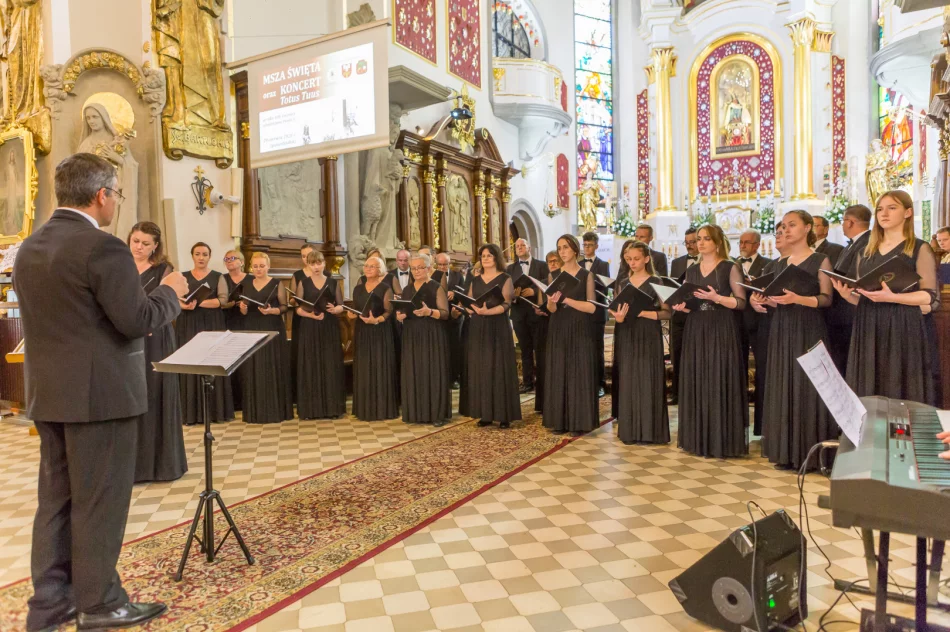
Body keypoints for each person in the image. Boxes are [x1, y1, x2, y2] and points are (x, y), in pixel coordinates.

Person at [15, 153, 186, 631]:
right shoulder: (102, 247)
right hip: (101, 398)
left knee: (57, 501)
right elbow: (136, 320)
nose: (116, 203)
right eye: (117, 194)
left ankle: (50, 603)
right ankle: (101, 603)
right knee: (99, 504)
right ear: (101, 195)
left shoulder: (30, 247)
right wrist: (170, 291)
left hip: (49, 394)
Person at [832, 191, 939, 405]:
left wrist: (894, 297)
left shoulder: (919, 248)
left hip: (903, 324)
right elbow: (867, 297)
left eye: (892, 208)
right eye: (880, 209)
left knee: (900, 383)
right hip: (868, 324)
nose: (884, 214)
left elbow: (928, 295)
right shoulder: (865, 251)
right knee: (868, 384)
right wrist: (848, 295)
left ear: (907, 212)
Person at [752, 211, 836, 470]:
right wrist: (760, 301)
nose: (786, 230)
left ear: (808, 228)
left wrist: (798, 299)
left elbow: (827, 299)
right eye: (783, 226)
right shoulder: (779, 263)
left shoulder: (819, 259)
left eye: (792, 225)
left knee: (807, 384)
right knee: (783, 382)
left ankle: (811, 453)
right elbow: (775, 300)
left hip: (808, 328)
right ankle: (785, 452)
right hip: (781, 329)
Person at [673, 224, 749, 458]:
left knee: (719, 376)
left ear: (717, 242)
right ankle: (698, 438)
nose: (701, 243)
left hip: (721, 327)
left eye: (706, 238)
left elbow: (741, 302)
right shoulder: (692, 271)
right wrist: (683, 307)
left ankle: (722, 440)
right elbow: (694, 303)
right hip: (696, 328)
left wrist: (717, 297)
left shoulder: (729, 267)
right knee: (698, 377)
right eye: (699, 239)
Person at [128, 221, 187, 484]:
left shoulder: (164, 270)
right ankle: (134, 465)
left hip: (157, 339)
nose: (139, 247)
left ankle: (162, 464)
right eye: (135, 241)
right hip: (130, 338)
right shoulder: (121, 266)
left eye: (145, 244)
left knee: (156, 392)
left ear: (155, 247)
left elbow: (172, 303)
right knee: (133, 394)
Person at [609, 241, 671, 445]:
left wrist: (644, 312)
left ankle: (651, 431)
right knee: (628, 379)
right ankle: (630, 430)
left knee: (648, 377)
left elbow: (667, 312)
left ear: (646, 259)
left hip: (648, 333)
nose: (632, 263)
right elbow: (616, 310)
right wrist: (618, 317)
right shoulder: (622, 282)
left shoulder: (656, 281)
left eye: (636, 259)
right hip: (627, 332)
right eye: (629, 259)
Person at [544, 234, 599, 435]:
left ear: (575, 249)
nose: (562, 252)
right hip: (558, 327)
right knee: (559, 370)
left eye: (565, 247)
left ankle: (579, 422)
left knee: (578, 372)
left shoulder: (586, 275)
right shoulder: (553, 276)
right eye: (559, 248)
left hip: (579, 327)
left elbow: (592, 307)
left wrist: (567, 300)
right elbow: (551, 309)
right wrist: (552, 302)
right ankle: (559, 421)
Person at [466, 244, 521, 429]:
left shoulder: (505, 278)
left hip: (497, 326)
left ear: (496, 258)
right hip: (478, 327)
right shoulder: (475, 280)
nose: (486, 258)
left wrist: (487, 312)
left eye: (489, 255)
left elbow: (506, 304)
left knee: (499, 367)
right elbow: (469, 302)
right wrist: (469, 308)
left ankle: (504, 415)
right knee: (482, 368)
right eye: (483, 256)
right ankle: (486, 414)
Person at [178, 242, 234, 425]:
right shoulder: (183, 276)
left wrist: (199, 302)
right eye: (197, 254)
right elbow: (175, 299)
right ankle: (191, 413)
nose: (201, 257)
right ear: (192, 256)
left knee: (212, 362)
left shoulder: (218, 276)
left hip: (212, 323)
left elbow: (223, 301)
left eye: (204, 254)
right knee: (191, 361)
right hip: (188, 323)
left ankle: (216, 412)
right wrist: (184, 305)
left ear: (210, 257)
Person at [396, 253, 452, 425]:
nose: (416, 271)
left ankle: (436, 414)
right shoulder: (407, 289)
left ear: (428, 268)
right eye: (413, 268)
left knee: (432, 371)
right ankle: (416, 413)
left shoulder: (436, 287)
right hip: (412, 334)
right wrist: (400, 316)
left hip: (432, 334)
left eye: (420, 268)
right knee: (414, 371)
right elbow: (404, 310)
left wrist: (430, 312)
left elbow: (445, 314)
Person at [238, 252, 294, 423]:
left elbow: (284, 307)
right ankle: (256, 411)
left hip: (272, 327)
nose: (258, 269)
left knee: (272, 365)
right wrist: (242, 308)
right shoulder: (247, 284)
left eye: (262, 266)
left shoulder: (277, 283)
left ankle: (276, 410)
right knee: (254, 367)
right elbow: (244, 309)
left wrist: (271, 311)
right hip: (252, 328)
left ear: (268, 266)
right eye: (255, 266)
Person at [294, 250, 346, 420]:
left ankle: (332, 408)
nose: (316, 267)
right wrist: (310, 315)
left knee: (330, 363)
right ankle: (311, 410)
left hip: (328, 326)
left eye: (319, 263)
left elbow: (341, 306)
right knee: (311, 364)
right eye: (312, 263)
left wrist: (335, 309)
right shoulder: (303, 283)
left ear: (324, 264)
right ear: (308, 265)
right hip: (310, 326)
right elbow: (298, 308)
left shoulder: (332, 282)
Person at [349, 256, 399, 421]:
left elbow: (389, 311)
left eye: (372, 266)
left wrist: (377, 320)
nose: (368, 268)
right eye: (366, 266)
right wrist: (351, 314)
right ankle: (365, 409)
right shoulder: (358, 288)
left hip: (380, 331)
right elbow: (356, 308)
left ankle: (382, 409)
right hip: (362, 331)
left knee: (379, 366)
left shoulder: (385, 288)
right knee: (364, 367)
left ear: (380, 270)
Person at [825, 205, 872, 373]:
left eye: (843, 221)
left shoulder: (867, 243)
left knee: (847, 361)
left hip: (850, 310)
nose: (842, 225)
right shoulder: (851, 244)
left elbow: (855, 276)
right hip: (841, 310)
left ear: (850, 222)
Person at [736, 229, 771, 436]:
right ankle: (737, 419)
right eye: (741, 242)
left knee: (762, 368)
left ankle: (762, 422)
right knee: (736, 369)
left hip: (759, 322)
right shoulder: (732, 264)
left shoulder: (768, 264)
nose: (743, 245)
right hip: (736, 322)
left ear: (757, 245)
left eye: (747, 242)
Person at [506, 238, 548, 393]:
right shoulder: (510, 269)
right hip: (519, 313)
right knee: (525, 349)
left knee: (540, 349)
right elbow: (506, 290)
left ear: (529, 247)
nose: (519, 248)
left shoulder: (542, 265)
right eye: (517, 246)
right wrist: (514, 294)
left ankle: (543, 382)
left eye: (522, 245)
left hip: (537, 313)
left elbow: (548, 284)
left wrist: (534, 291)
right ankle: (528, 382)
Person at [668, 227, 699, 404]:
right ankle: (677, 393)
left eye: (693, 242)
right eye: (686, 242)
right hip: (679, 313)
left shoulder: (708, 262)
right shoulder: (677, 262)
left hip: (698, 312)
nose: (689, 246)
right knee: (677, 353)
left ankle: (694, 392)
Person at [580, 232, 610, 397]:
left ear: (596, 246)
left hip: (597, 311)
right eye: (584, 245)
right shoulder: (577, 264)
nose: (586, 248)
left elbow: (604, 288)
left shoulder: (603, 265)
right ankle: (584, 382)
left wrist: (588, 295)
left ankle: (600, 384)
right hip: (580, 312)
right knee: (582, 348)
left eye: (590, 245)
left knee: (597, 349)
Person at [533, 251, 561, 414]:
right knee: (543, 363)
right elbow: (539, 302)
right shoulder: (543, 282)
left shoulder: (564, 281)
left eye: (556, 260)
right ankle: (543, 404)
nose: (553, 264)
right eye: (550, 261)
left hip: (558, 322)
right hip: (544, 324)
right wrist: (538, 310)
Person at [220, 249, 248, 411]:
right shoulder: (221, 278)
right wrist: (230, 304)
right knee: (230, 359)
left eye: (233, 258)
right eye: (226, 259)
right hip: (227, 320)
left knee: (245, 358)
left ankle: (247, 398)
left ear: (241, 262)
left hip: (246, 321)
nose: (229, 261)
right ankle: (233, 401)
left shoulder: (250, 278)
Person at [437, 252, 466, 388]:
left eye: (445, 264)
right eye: (440, 264)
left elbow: (464, 293)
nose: (443, 267)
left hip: (454, 316)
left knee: (455, 347)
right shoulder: (433, 276)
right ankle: (441, 377)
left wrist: (454, 293)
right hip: (439, 317)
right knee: (441, 348)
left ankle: (454, 378)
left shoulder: (457, 276)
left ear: (450, 264)